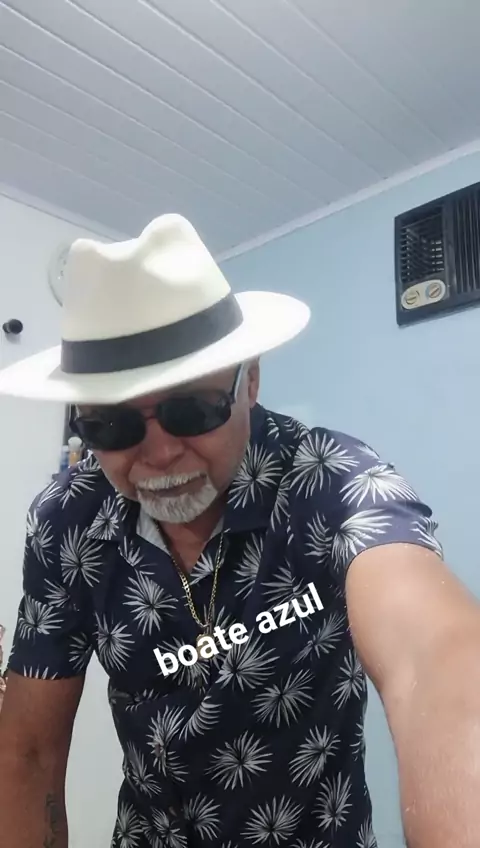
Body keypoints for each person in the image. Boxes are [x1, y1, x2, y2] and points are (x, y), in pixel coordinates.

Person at [0, 214, 478, 848]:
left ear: (249, 379)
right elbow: (29, 753)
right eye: (112, 426)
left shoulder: (333, 483)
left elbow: (437, 665)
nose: (159, 454)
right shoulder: (68, 519)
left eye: (191, 409)